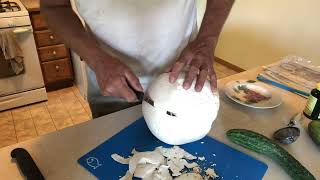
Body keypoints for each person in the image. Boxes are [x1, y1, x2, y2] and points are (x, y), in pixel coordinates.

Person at [41, 0, 234, 118]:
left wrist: (207, 40)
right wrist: (97, 60)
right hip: (112, 87)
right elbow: (54, 6)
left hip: (182, 82)